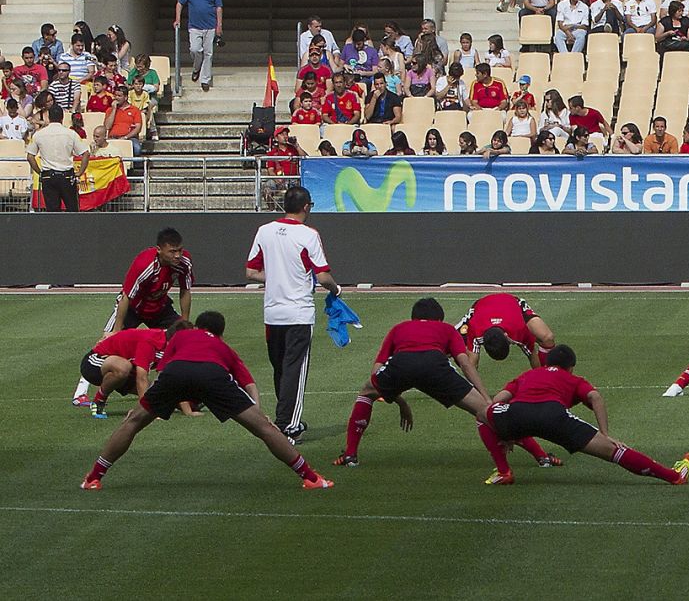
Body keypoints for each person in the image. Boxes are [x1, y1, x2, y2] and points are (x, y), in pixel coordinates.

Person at [80, 312, 334, 491]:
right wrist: (259, 413)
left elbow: (167, 372)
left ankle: (93, 477)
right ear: (219, 333)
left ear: (196, 327)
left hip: (176, 373)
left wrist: (150, 408)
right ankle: (311, 477)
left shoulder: (179, 338)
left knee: (132, 423)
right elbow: (249, 384)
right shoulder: (224, 347)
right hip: (214, 376)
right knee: (264, 430)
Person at [483, 344, 689, 486]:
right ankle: (674, 476)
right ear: (571, 367)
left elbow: (499, 400)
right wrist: (605, 433)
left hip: (518, 413)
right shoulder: (573, 379)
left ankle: (503, 472)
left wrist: (503, 431)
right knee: (614, 451)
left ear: (547, 363)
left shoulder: (528, 374)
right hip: (554, 416)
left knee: (481, 415)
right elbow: (595, 397)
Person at [334, 297, 497, 469]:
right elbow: (465, 364)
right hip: (434, 366)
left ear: (413, 318)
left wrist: (398, 400)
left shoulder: (399, 328)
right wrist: (485, 397)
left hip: (402, 364)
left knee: (367, 393)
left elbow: (376, 372)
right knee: (484, 411)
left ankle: (350, 455)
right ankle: (518, 446)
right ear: (439, 319)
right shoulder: (447, 329)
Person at [246, 186, 341, 443]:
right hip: (298, 312)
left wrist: (276, 276)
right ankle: (287, 425)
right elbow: (322, 276)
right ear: (306, 206)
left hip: (272, 313)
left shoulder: (264, 231)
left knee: (280, 368)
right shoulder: (308, 234)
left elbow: (251, 272)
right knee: (294, 370)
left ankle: (285, 418)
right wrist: (336, 288)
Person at [80, 326, 169, 419]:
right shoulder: (150, 341)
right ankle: (99, 401)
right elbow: (141, 378)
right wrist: (147, 411)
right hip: (94, 363)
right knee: (123, 367)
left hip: (128, 373)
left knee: (163, 395)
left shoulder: (172, 347)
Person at [26, 105, 88, 211]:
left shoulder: (39, 134)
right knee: (73, 210)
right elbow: (86, 153)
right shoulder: (71, 134)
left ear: (49, 117)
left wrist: (39, 172)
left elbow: (30, 156)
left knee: (52, 213)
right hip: (67, 176)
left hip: (48, 177)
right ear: (62, 117)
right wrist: (80, 172)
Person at [175, 0, 222, 91]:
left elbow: (218, 7)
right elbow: (180, 3)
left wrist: (219, 25)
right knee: (195, 49)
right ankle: (196, 68)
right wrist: (178, 19)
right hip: (194, 26)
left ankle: (205, 79)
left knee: (208, 53)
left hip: (210, 26)